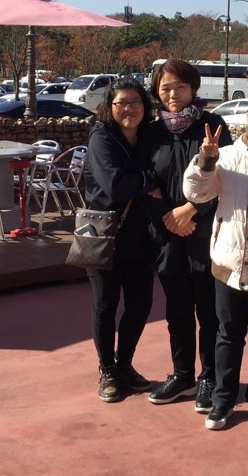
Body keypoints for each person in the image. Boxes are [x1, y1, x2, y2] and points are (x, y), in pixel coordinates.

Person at [182, 91, 248, 431]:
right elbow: (196, 193)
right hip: (229, 261)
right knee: (228, 334)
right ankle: (223, 398)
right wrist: (206, 159)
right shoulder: (225, 156)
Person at [143, 59, 233, 413]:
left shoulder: (213, 126)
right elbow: (145, 182)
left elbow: (224, 177)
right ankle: (183, 375)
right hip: (166, 235)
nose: (172, 94)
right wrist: (167, 217)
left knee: (209, 312)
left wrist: (191, 210)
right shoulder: (151, 133)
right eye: (165, 88)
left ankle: (209, 378)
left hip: (204, 232)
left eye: (179, 87)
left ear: (193, 89)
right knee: (177, 311)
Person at [82, 77, 159, 402]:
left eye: (135, 102)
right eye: (122, 103)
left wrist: (139, 182)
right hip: (103, 232)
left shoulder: (149, 135)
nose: (129, 109)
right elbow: (114, 186)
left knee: (140, 304)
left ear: (145, 105)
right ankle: (107, 370)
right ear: (109, 107)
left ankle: (124, 364)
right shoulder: (101, 137)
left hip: (141, 234)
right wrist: (150, 181)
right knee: (106, 304)